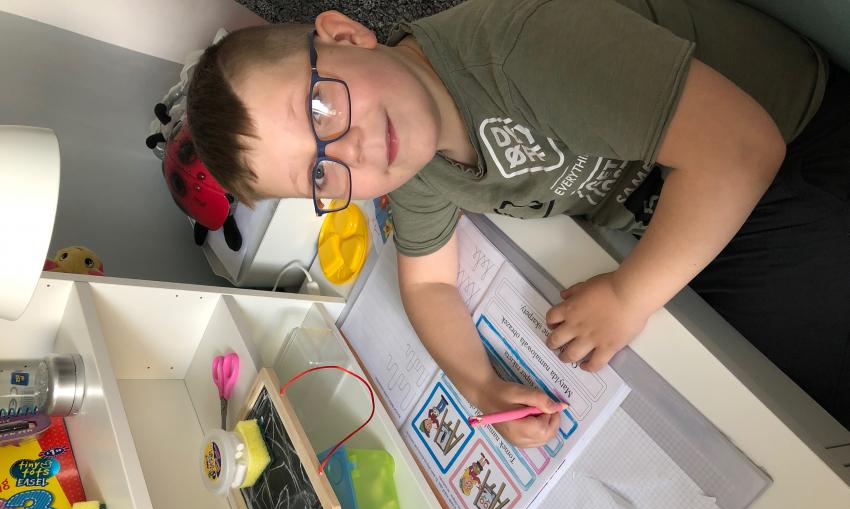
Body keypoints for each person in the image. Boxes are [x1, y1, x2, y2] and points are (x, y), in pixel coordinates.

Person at [187, 0, 849, 447]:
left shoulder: (521, 51)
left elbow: (740, 151)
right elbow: (427, 285)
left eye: (320, 110)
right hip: (690, 195)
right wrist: (481, 386)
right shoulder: (410, 155)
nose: (350, 152)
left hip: (793, 141)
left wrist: (627, 297)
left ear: (346, 35)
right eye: (319, 174)